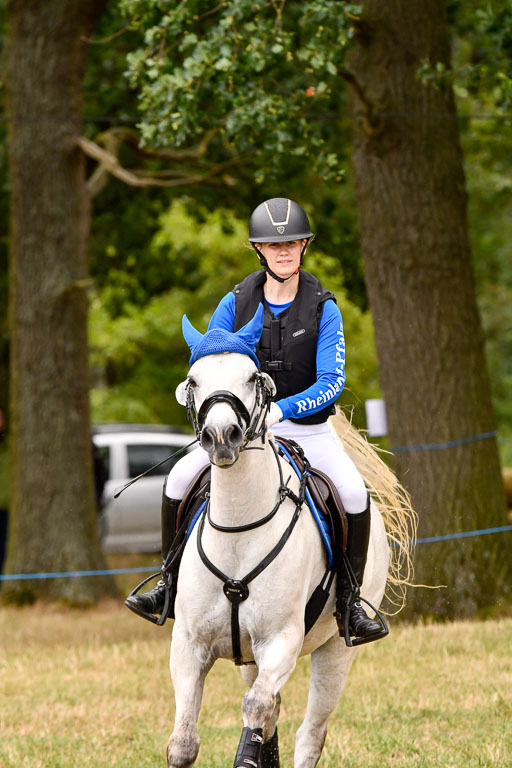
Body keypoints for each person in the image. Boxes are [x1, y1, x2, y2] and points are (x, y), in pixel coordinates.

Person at [126, 197, 382, 641]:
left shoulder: (324, 307)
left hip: (307, 429)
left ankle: (351, 603)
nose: (283, 251)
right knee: (178, 479)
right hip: (243, 433)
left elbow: (331, 382)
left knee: (353, 494)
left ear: (304, 247)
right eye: (272, 245)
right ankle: (167, 584)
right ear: (258, 250)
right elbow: (208, 359)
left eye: (292, 243)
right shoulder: (235, 302)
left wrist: (282, 409)